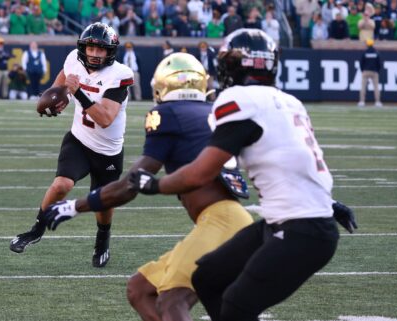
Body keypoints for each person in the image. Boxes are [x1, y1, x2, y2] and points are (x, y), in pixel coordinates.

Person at [130, 29, 357, 321]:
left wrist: (156, 184)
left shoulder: (238, 99)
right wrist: (329, 202)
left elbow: (202, 172)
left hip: (301, 229)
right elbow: (291, 160)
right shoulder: (288, 102)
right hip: (288, 220)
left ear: (234, 65)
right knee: (207, 278)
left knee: (237, 306)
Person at [40, 52, 254, 321]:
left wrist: (75, 206)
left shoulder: (167, 113)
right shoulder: (213, 112)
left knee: (171, 300)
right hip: (237, 222)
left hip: (220, 223)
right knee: (140, 288)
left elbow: (130, 186)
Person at [10, 22, 134, 269]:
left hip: (107, 149)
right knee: (61, 184)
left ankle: (102, 240)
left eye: (101, 50)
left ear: (110, 52)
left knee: (103, 201)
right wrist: (59, 96)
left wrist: (77, 94)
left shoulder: (120, 75)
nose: (95, 54)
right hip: (79, 138)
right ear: (83, 47)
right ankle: (36, 229)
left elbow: (105, 118)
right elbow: (62, 81)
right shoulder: (73, 59)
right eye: (91, 48)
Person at [358, 39, 382, 107]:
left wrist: (362, 70)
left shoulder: (365, 52)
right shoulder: (376, 52)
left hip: (366, 71)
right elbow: (379, 63)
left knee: (363, 87)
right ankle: (377, 102)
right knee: (376, 87)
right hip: (374, 71)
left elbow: (361, 63)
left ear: (367, 44)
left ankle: (362, 101)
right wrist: (377, 70)